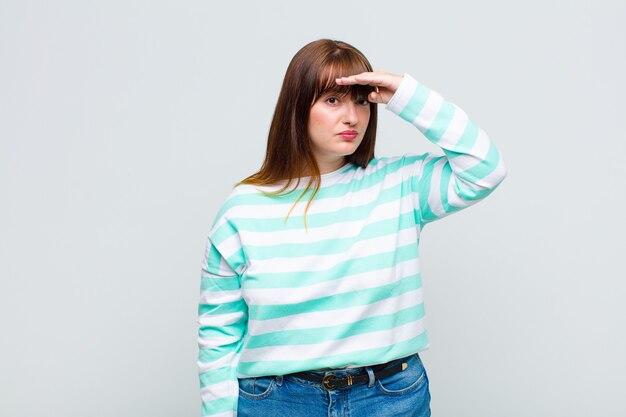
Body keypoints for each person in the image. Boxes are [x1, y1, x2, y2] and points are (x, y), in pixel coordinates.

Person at [196, 38, 507, 417]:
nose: (353, 117)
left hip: (390, 398)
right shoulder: (243, 208)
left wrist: (405, 94)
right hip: (279, 403)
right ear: (297, 108)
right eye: (332, 100)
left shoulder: (400, 185)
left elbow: (485, 169)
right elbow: (218, 333)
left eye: (361, 100)